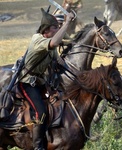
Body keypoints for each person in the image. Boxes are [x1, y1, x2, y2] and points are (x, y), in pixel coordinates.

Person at [17, 8, 74, 150]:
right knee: (40, 112)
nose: (58, 30)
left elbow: (60, 62)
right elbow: (55, 43)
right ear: (46, 30)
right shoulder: (39, 40)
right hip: (27, 82)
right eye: (55, 28)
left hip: (41, 82)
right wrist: (66, 23)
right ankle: (38, 147)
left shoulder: (50, 42)